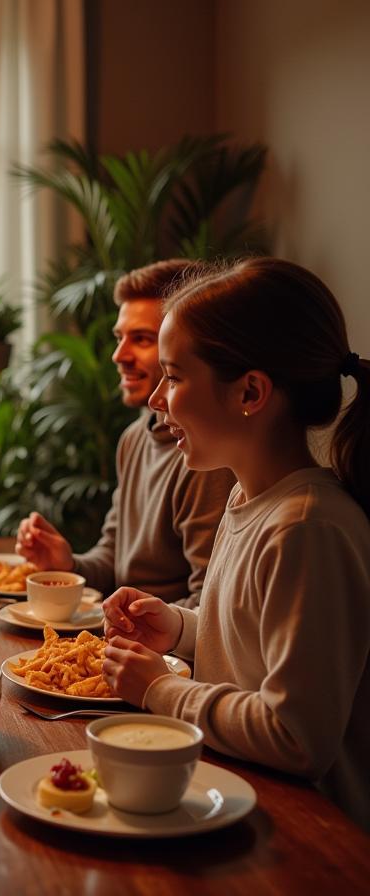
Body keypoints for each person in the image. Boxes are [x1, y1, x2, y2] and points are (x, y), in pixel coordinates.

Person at [101, 257, 370, 828]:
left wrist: (163, 689)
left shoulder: (307, 529)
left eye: (173, 376)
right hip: (240, 799)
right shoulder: (251, 500)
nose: (156, 400)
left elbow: (296, 736)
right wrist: (180, 627)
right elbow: (255, 645)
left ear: (249, 391)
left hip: (313, 836)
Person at [15, 260, 236, 606]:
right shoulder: (134, 437)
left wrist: (130, 624)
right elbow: (113, 561)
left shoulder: (208, 457)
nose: (119, 355)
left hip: (163, 654)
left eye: (142, 339)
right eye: (120, 338)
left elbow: (208, 605)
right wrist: (67, 564)